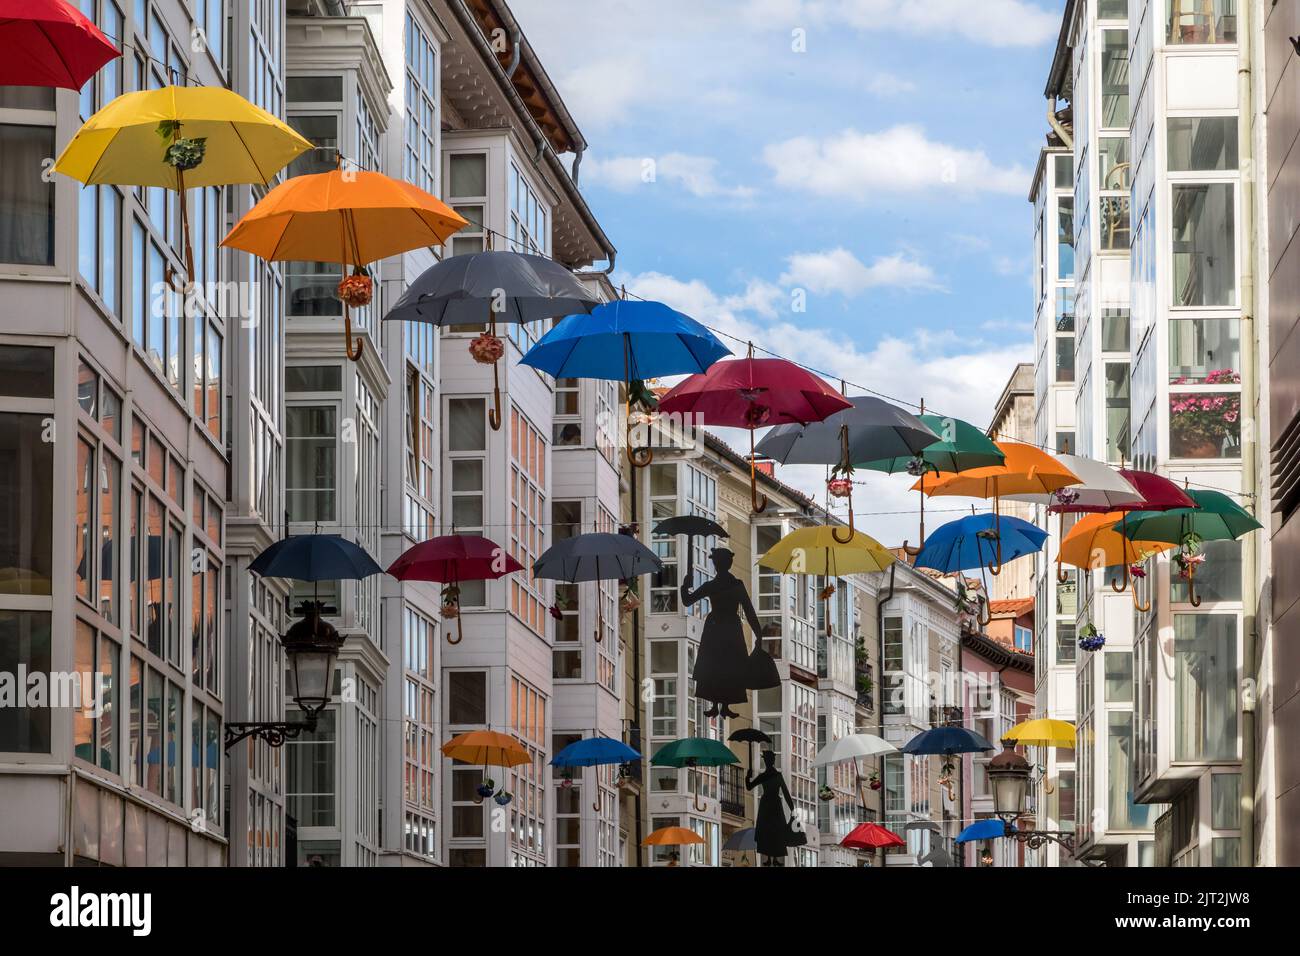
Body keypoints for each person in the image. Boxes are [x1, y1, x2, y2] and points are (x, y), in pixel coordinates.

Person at [679, 547, 778, 718]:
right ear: (729, 563)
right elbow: (749, 611)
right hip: (730, 628)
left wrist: (684, 586)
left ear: (716, 565)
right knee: (729, 666)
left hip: (716, 627)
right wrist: (758, 633)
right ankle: (722, 704)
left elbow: (687, 600)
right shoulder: (735, 585)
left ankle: (718, 704)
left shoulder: (713, 585)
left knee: (715, 665)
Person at [746, 749, 806, 866]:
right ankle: (772, 859)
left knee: (769, 831)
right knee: (774, 831)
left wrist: (747, 778)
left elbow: (749, 786)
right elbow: (786, 793)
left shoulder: (765, 776)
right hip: (774, 804)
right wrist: (792, 808)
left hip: (767, 805)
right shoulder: (775, 775)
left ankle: (771, 859)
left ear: (768, 761)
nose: (768, 761)